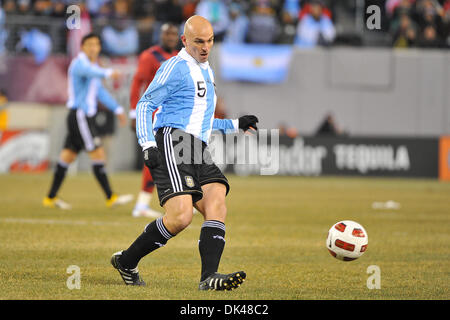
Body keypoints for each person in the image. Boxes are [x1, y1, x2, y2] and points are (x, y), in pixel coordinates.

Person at [111, 15, 259, 291]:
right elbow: (145, 105)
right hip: (172, 140)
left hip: (197, 146)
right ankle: (127, 261)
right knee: (181, 218)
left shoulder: (206, 69)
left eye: (210, 41)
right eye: (199, 42)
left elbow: (200, 120)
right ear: (185, 41)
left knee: (217, 201)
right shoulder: (176, 67)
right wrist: (147, 145)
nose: (205, 47)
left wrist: (236, 124)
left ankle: (208, 277)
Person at [43, 33, 133, 210]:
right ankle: (110, 197)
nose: (94, 48)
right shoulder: (80, 63)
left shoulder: (92, 66)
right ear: (83, 47)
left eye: (96, 44)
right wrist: (108, 72)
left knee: (67, 157)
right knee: (98, 153)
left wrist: (118, 109)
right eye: (90, 45)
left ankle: (50, 197)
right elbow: (90, 72)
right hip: (80, 116)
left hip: (84, 117)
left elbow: (100, 92)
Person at [129, 22, 179, 218]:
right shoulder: (150, 56)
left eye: (174, 34)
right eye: (168, 34)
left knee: (174, 157)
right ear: (161, 35)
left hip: (173, 115)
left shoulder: (178, 57)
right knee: (155, 156)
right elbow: (137, 83)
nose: (171, 37)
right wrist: (134, 113)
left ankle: (181, 199)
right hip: (154, 115)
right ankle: (141, 205)